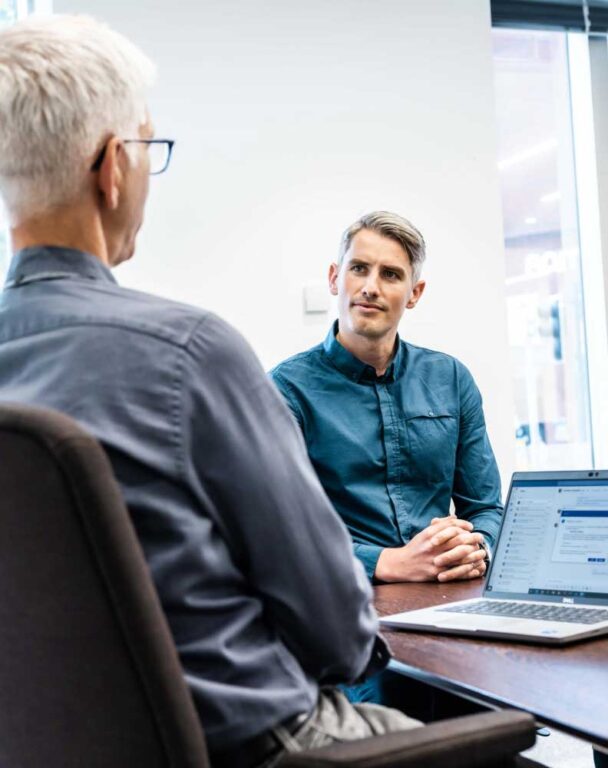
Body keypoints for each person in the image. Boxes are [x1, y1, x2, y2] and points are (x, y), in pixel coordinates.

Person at [0, 17, 424, 768]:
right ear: (111, 168)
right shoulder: (189, 354)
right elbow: (336, 625)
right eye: (147, 149)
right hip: (256, 744)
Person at [270, 211, 503, 587]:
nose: (370, 287)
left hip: (450, 593)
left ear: (415, 293)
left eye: (391, 274)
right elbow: (278, 527)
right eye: (359, 268)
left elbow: (486, 507)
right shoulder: (286, 390)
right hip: (342, 597)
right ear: (334, 278)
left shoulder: (452, 379)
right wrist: (388, 562)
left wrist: (477, 549)